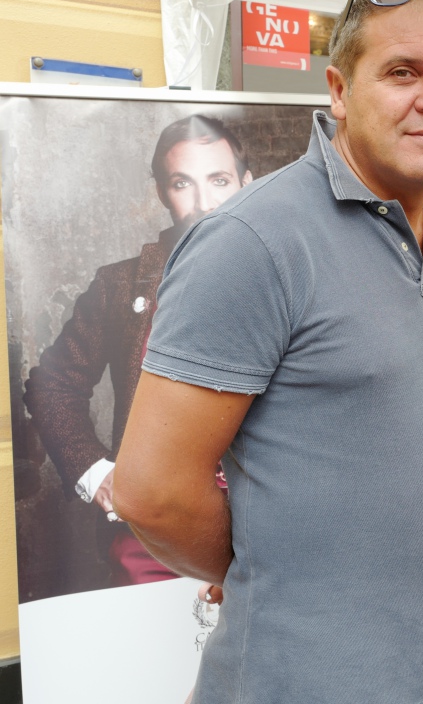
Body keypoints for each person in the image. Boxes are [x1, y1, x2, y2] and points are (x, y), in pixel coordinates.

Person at [112, 0, 423, 704]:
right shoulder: (252, 240)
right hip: (317, 679)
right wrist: (266, 573)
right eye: (403, 72)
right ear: (339, 91)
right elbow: (151, 492)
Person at [24, 114, 252, 587]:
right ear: (162, 192)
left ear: (247, 183)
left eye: (219, 180)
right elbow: (51, 386)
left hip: (269, 530)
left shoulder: (288, 276)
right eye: (182, 183)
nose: (204, 202)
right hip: (154, 537)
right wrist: (95, 472)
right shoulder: (121, 285)